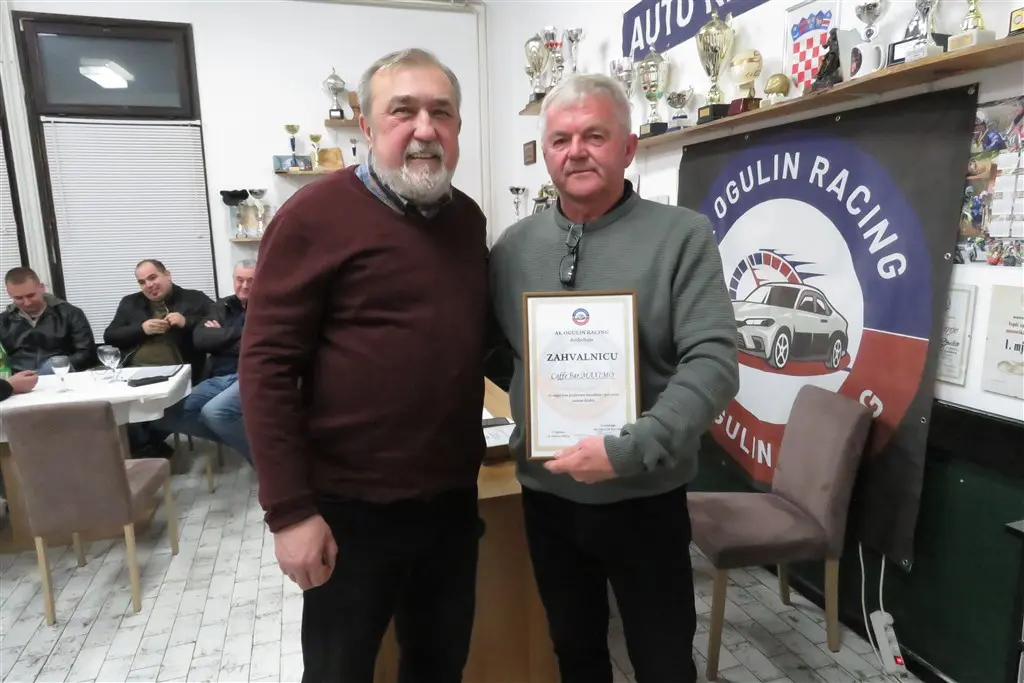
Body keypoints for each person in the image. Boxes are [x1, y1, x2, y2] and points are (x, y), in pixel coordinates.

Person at [239, 48, 490, 683]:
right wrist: (290, 513)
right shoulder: (312, 217)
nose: (425, 129)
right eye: (403, 111)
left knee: (439, 667)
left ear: (458, 126)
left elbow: (466, 342)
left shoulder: (467, 220)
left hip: (451, 504)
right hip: (350, 510)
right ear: (367, 125)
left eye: (441, 113)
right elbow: (265, 368)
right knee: (339, 672)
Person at [488, 73, 740, 683]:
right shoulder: (512, 249)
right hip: (548, 497)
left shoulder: (682, 236)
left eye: (594, 136)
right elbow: (499, 354)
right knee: (575, 653)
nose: (575, 152)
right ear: (545, 152)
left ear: (628, 148)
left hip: (645, 499)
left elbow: (714, 362)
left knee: (663, 662)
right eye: (560, 139)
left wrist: (632, 448)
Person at [104, 259, 214, 457]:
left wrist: (187, 322)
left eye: (153, 277)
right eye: (142, 282)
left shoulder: (194, 298)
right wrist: (141, 329)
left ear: (167, 275)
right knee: (116, 410)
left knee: (151, 414)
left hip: (179, 373)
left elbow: (218, 323)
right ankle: (150, 451)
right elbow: (110, 336)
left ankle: (146, 452)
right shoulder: (130, 303)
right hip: (134, 372)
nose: (149, 285)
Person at [174, 259, 255, 464]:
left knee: (214, 412)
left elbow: (256, 345)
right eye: (240, 280)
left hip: (248, 375)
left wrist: (220, 336)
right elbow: (200, 339)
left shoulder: (268, 307)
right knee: (173, 412)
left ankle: (263, 459)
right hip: (218, 377)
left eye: (251, 280)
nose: (245, 286)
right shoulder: (222, 305)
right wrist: (239, 334)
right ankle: (244, 442)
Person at [0, 267, 95, 374]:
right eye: (19, 298)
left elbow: (87, 353)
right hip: (19, 378)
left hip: (62, 375)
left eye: (31, 295)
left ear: (42, 288)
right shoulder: (3, 321)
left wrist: (59, 365)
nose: (27, 303)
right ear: (9, 294)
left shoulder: (70, 314)